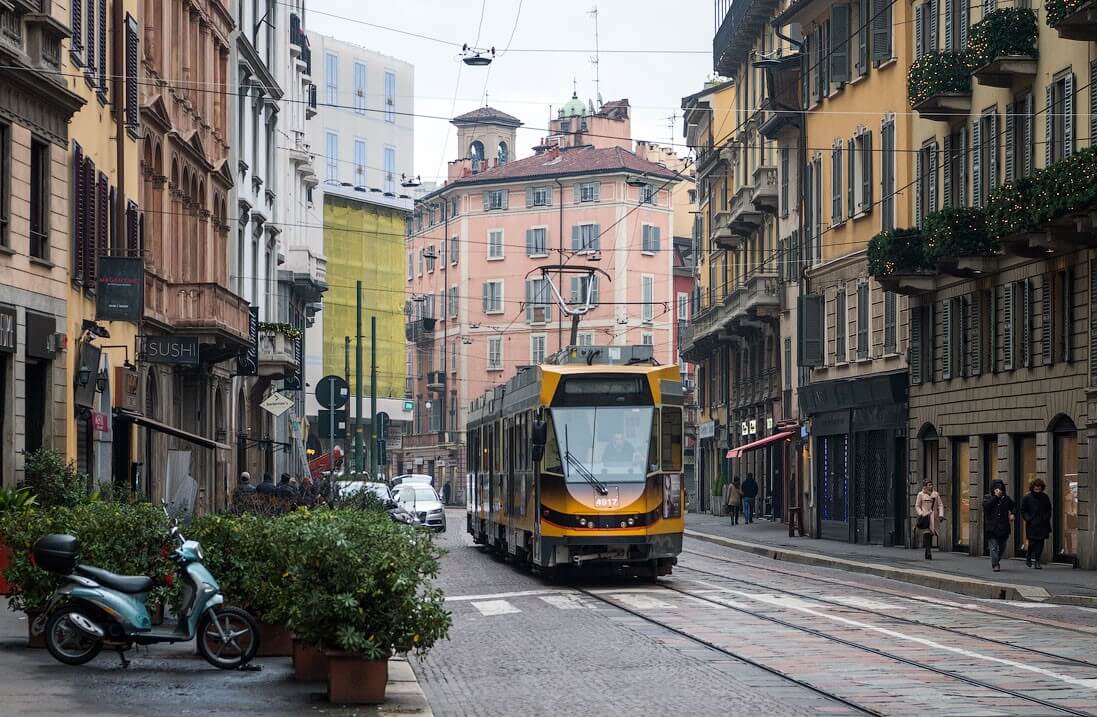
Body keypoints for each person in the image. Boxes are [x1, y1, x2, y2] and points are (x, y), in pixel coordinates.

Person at [983, 479, 1014, 572]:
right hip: (992, 527)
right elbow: (986, 507)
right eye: (996, 489)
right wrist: (996, 497)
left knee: (1002, 547)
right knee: (994, 547)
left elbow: (1014, 507)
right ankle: (995, 564)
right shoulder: (988, 497)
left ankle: (996, 560)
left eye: (1000, 489)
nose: (999, 491)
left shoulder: (1006, 499)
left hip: (1004, 527)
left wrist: (1012, 513)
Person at [1020, 478, 1051, 569]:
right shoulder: (1027, 498)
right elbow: (1023, 510)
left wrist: (1046, 518)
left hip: (1043, 524)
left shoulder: (1045, 497)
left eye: (1039, 489)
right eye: (1036, 489)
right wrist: (1028, 519)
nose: (1037, 491)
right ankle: (1029, 556)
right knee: (1032, 543)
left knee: (1040, 543)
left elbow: (1049, 509)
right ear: (1032, 488)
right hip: (1032, 524)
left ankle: (1037, 561)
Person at [915, 479, 945, 559]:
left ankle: (927, 550)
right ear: (925, 486)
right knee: (926, 533)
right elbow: (917, 505)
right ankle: (928, 552)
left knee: (931, 533)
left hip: (934, 517)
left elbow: (940, 505)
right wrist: (921, 513)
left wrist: (941, 515)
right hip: (925, 517)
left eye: (931, 484)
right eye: (929, 485)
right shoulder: (920, 494)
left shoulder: (936, 494)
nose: (931, 486)